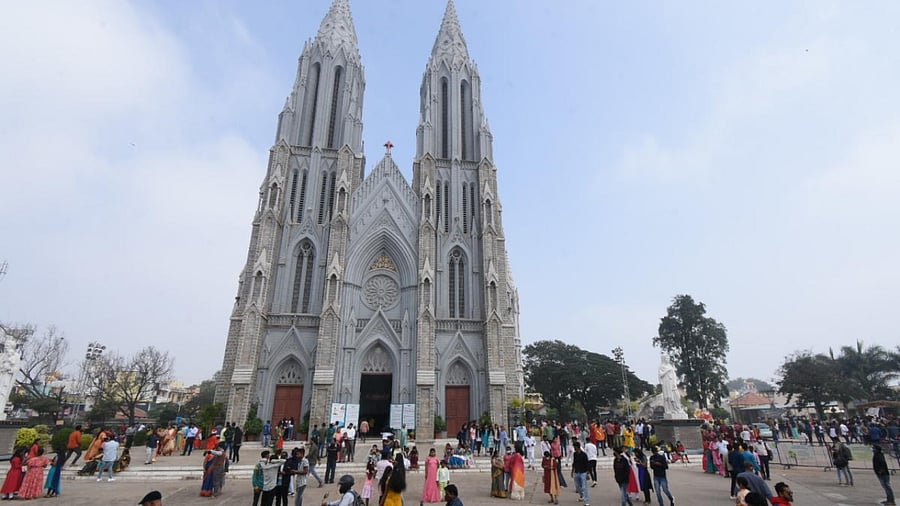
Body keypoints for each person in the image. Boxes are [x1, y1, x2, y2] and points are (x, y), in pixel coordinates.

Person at [571, 441, 590, 505]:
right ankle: (581, 495)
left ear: (577, 447)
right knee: (577, 486)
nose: (574, 448)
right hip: (576, 471)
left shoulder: (584, 454)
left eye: (574, 447)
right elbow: (574, 462)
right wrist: (572, 471)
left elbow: (587, 464)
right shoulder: (575, 454)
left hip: (583, 472)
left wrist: (587, 473)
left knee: (584, 487)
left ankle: (586, 501)